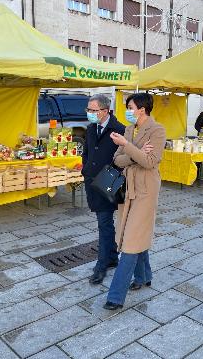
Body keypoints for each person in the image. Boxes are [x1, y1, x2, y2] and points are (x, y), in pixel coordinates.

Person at [103, 93, 166, 310]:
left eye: (130, 107)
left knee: (130, 240)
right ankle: (143, 276)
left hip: (146, 190)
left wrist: (128, 148)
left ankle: (115, 296)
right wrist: (133, 151)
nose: (128, 111)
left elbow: (149, 162)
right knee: (134, 233)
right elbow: (117, 159)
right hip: (127, 187)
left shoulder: (157, 130)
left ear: (141, 108)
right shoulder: (129, 130)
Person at [82, 94, 125, 284]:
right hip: (91, 180)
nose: (90, 113)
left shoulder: (120, 129)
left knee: (104, 222)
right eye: (88, 110)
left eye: (93, 110)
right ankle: (112, 256)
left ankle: (101, 265)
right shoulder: (91, 128)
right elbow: (87, 152)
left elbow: (124, 158)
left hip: (109, 180)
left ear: (105, 111)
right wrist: (85, 170)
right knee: (104, 222)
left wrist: (113, 176)